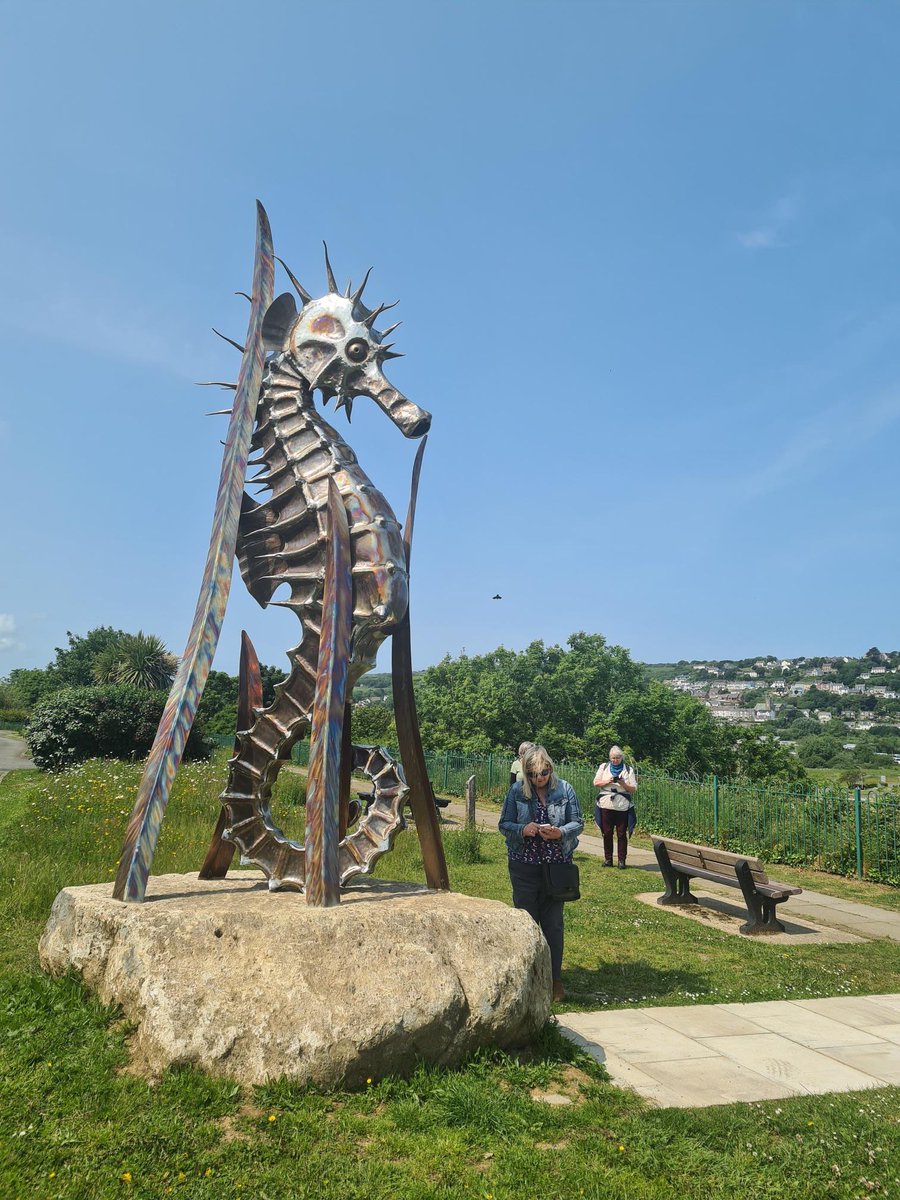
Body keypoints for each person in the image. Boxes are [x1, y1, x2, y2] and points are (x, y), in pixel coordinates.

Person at [499, 745, 584, 1002]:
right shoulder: (517, 791)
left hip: (556, 866)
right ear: (526, 773)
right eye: (534, 774)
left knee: (553, 925)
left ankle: (554, 979)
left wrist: (560, 832)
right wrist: (524, 829)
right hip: (524, 865)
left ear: (550, 768)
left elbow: (577, 822)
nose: (540, 779)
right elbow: (504, 824)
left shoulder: (564, 789)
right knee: (526, 923)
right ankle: (528, 978)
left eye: (544, 772)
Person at [593, 745, 637, 869]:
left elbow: (633, 789)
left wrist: (622, 783)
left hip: (622, 805)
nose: (615, 760)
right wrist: (608, 781)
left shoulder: (628, 770)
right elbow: (596, 782)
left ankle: (622, 860)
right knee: (607, 833)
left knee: (621, 834)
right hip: (606, 804)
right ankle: (608, 859)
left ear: (621, 758)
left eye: (617, 758)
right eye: (613, 758)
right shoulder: (604, 767)